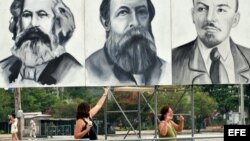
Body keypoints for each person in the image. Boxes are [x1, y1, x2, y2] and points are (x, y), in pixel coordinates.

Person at [0, 0, 83, 86]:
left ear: (58, 23)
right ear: (18, 23)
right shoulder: (3, 68)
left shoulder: (73, 72)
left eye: (42, 15)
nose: (33, 23)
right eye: (27, 15)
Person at [86, 0, 168, 86]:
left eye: (141, 12)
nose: (135, 23)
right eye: (123, 12)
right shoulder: (87, 72)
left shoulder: (166, 70)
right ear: (106, 23)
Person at [172, 0, 250, 84]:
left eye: (220, 10)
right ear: (193, 15)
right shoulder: (173, 60)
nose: (209, 18)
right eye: (201, 9)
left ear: (235, 19)